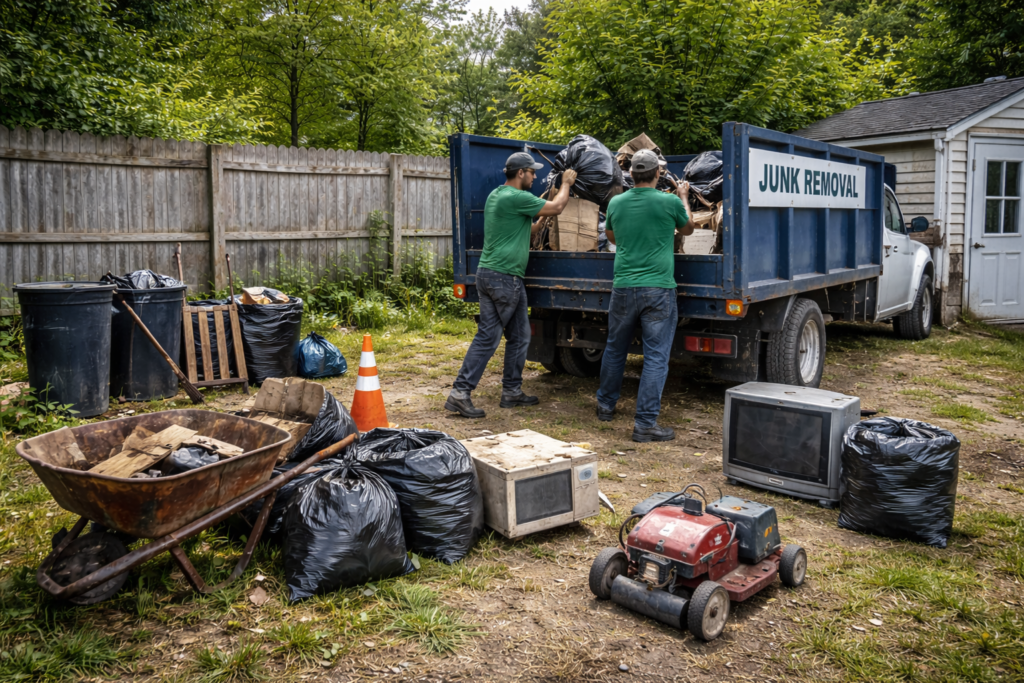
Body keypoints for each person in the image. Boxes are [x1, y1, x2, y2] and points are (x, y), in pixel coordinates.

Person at [445, 153, 578, 419]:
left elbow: (525, 229)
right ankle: (460, 393)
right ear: (520, 173)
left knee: (520, 336)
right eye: (532, 172)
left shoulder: (498, 195)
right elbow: (558, 206)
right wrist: (566, 183)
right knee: (488, 337)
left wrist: (540, 222)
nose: (535, 176)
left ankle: (512, 391)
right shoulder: (516, 197)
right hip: (502, 277)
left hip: (496, 275)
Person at [596, 149, 695, 442]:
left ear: (631, 174)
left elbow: (611, 237)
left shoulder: (616, 202)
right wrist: (684, 197)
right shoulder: (668, 202)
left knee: (615, 348)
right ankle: (645, 424)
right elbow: (688, 229)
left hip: (624, 286)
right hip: (658, 289)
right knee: (655, 357)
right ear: (657, 174)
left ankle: (605, 406)